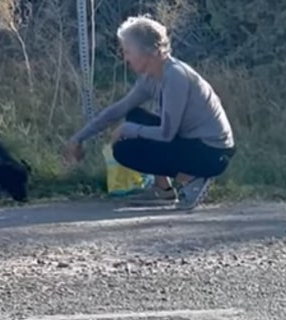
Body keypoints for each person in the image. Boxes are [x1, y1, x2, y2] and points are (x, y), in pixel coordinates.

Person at [63, 15, 236, 210]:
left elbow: (166, 134)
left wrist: (128, 130)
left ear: (148, 52)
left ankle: (191, 180)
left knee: (124, 150)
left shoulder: (175, 77)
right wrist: (78, 139)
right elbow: (118, 110)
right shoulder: (151, 77)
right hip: (192, 142)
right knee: (135, 115)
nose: (125, 58)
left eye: (128, 51)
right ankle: (163, 190)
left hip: (212, 153)